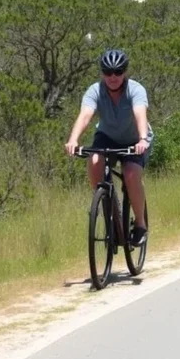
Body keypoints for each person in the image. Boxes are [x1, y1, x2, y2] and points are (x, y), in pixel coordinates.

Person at [65, 49, 153, 247]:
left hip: (134, 139)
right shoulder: (95, 91)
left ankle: (140, 224)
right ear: (102, 73)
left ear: (125, 72)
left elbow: (140, 114)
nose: (113, 77)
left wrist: (142, 140)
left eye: (118, 72)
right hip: (107, 136)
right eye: (108, 72)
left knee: (131, 174)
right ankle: (109, 208)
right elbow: (85, 115)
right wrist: (73, 140)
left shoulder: (135, 90)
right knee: (95, 162)